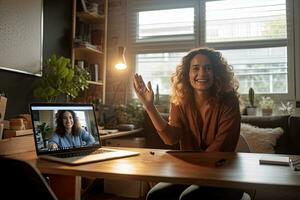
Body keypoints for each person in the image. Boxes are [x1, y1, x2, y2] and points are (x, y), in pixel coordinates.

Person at [133, 47, 243, 200]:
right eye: (195, 68)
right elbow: (170, 139)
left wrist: (184, 169)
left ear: (216, 73)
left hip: (224, 174)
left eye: (208, 68)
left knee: (189, 198)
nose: (202, 74)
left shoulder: (229, 100)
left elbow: (220, 150)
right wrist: (150, 107)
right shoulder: (180, 101)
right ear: (187, 74)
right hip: (190, 172)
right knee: (155, 195)